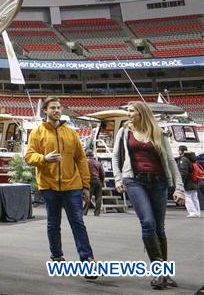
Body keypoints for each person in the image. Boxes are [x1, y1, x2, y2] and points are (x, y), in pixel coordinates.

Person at [113, 101, 185, 290]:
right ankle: (159, 271)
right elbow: (116, 157)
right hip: (134, 181)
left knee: (159, 228)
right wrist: (118, 179)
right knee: (147, 222)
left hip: (159, 182)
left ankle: (164, 274)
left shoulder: (159, 133)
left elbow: (170, 160)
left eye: (131, 111)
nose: (128, 114)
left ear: (141, 113)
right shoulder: (124, 132)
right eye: (128, 111)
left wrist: (179, 188)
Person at [25, 97, 96, 275]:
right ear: (45, 111)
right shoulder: (37, 132)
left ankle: (87, 260)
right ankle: (57, 256)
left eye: (58, 107)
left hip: (72, 185)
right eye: (53, 108)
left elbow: (81, 160)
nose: (56, 110)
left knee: (78, 222)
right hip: (48, 186)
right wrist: (44, 158)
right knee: (53, 223)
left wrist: (86, 186)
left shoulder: (71, 133)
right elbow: (29, 156)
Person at [176, 146, 200, 218]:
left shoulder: (183, 159)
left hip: (187, 181)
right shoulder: (192, 159)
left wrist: (181, 182)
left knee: (187, 196)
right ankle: (197, 212)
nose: (178, 151)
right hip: (194, 180)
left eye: (179, 150)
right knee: (194, 197)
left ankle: (192, 212)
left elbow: (183, 172)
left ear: (181, 151)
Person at [84, 149, 104, 216]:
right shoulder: (98, 163)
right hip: (98, 180)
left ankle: (84, 212)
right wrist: (102, 182)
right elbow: (102, 174)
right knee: (98, 197)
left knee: (88, 196)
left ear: (86, 155)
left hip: (90, 181)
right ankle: (97, 213)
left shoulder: (85, 162)